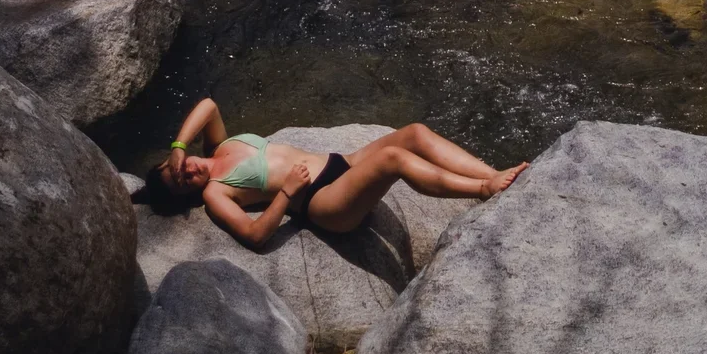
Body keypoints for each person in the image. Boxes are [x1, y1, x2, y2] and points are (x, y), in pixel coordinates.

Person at [149, 100, 527, 245]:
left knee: (414, 133)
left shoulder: (217, 147)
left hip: (341, 163)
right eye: (182, 182)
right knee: (393, 157)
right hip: (324, 203)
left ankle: (496, 173)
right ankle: (483, 188)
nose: (187, 172)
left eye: (177, 169)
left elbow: (211, 105)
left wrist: (180, 145)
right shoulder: (216, 192)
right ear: (187, 195)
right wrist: (287, 193)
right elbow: (254, 235)